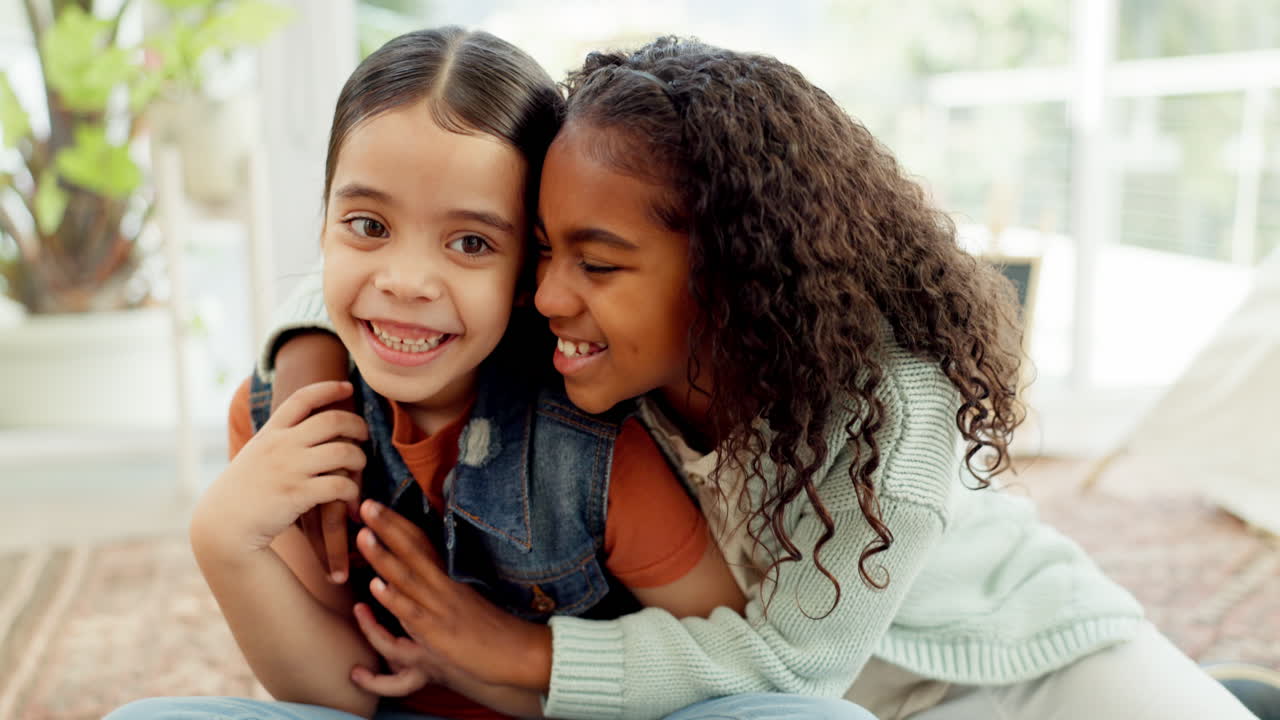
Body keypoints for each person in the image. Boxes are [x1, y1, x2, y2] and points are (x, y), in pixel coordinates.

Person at [249, 36, 1261, 720]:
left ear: (728, 276)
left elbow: (794, 662)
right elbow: (399, 269)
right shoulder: (603, 336)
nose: (545, 295)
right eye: (540, 251)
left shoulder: (890, 410)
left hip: (1015, 661)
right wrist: (310, 373)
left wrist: (512, 655)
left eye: (593, 264)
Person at [103, 28, 877, 720]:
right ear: (324, 225)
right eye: (368, 225)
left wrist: (489, 668)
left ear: (525, 270)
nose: (407, 280)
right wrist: (222, 537)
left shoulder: (595, 445)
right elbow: (343, 694)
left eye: (471, 243)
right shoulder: (283, 417)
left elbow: (727, 672)